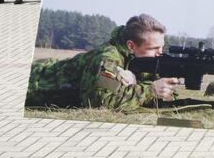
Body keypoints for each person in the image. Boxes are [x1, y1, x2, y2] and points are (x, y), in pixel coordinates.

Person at [26, 14, 181, 110]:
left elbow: (167, 94)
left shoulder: (142, 59)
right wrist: (150, 90)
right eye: (154, 48)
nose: (160, 52)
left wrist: (158, 86)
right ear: (131, 46)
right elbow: (100, 102)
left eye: (162, 47)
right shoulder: (108, 57)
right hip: (35, 83)